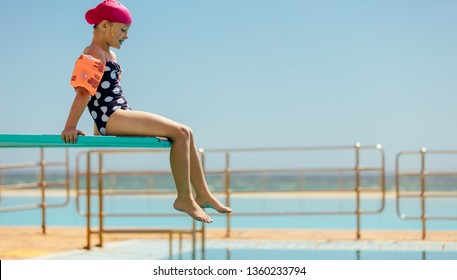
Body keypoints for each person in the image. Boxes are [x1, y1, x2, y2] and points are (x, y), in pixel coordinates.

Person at [61, 0, 231, 223]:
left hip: (117, 114)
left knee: (186, 132)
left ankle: (203, 194)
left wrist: (97, 127)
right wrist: (70, 127)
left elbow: (103, 94)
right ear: (104, 25)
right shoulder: (93, 53)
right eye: (123, 30)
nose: (126, 36)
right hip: (112, 117)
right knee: (179, 131)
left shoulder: (109, 55)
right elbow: (84, 93)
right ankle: (184, 198)